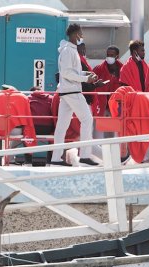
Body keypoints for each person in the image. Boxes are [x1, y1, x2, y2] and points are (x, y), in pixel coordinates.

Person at [52, 23, 98, 167]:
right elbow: (66, 73)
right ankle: (84, 156)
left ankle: (56, 158)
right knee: (87, 119)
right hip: (71, 90)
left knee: (62, 126)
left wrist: (86, 74)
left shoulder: (69, 50)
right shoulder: (68, 51)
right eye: (81, 33)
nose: (82, 36)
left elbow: (71, 72)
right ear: (75, 34)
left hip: (67, 91)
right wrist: (86, 78)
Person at [108, 86, 149, 164]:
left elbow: (144, 123)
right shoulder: (132, 99)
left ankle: (129, 156)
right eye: (118, 103)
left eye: (120, 102)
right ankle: (124, 155)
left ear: (126, 97)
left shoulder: (139, 98)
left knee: (128, 129)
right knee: (123, 127)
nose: (119, 106)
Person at [0, 85, 37, 164]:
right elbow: (27, 115)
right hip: (17, 129)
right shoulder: (22, 97)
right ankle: (11, 159)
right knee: (16, 139)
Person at [93, 45, 123, 116]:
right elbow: (91, 85)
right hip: (101, 107)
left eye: (112, 55)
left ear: (117, 56)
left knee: (117, 126)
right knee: (100, 126)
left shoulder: (123, 70)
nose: (109, 57)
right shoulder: (98, 69)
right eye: (108, 55)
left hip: (117, 106)